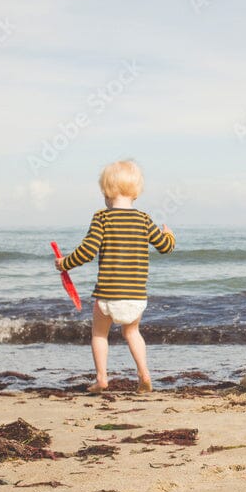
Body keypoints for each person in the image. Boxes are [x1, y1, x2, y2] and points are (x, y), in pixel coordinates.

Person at [55, 160, 175, 394]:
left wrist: (64, 264)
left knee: (99, 334)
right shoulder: (144, 219)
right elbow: (164, 247)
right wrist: (169, 235)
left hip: (108, 295)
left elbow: (87, 252)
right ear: (136, 191)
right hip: (136, 295)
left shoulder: (102, 218)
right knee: (132, 332)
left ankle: (101, 379)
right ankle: (144, 375)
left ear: (106, 191)